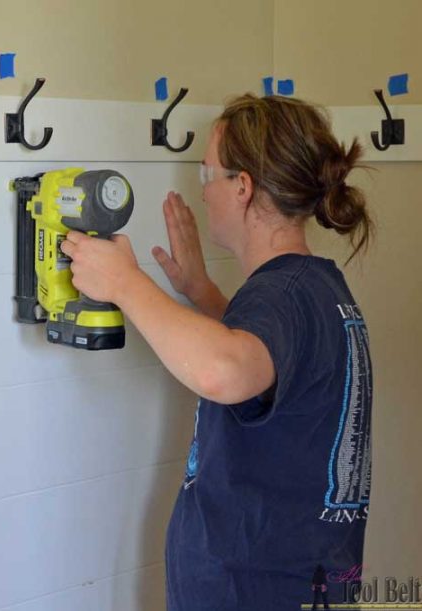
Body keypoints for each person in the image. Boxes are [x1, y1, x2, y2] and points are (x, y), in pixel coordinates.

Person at [59, 94, 373, 610]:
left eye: (208, 175)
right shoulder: (313, 289)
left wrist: (125, 282)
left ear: (243, 186)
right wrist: (203, 294)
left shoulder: (283, 295)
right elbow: (267, 367)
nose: (202, 193)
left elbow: (224, 371)